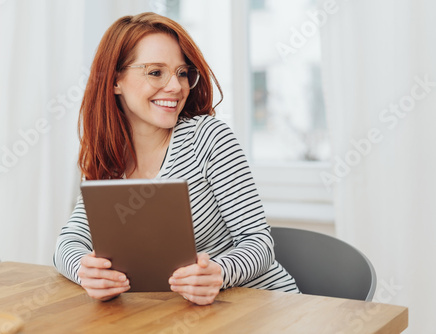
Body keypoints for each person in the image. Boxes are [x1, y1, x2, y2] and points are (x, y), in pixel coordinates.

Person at [54, 12, 299, 306]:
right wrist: (86, 271)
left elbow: (259, 244)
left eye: (182, 73)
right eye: (156, 72)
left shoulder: (208, 138)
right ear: (115, 80)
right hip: (186, 315)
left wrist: (219, 273)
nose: (175, 87)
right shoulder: (111, 160)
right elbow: (67, 243)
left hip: (264, 306)